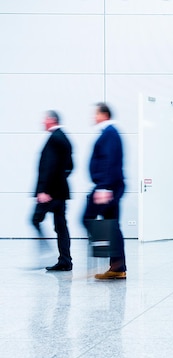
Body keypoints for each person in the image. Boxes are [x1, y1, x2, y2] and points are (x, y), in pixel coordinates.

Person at [83, 102, 127, 279]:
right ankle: (117, 267)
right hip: (110, 185)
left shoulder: (109, 133)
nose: (94, 117)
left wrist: (103, 187)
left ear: (104, 114)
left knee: (87, 219)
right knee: (112, 224)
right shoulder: (110, 133)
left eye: (96, 114)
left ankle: (115, 263)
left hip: (107, 186)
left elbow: (109, 160)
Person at [32, 110, 74, 271]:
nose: (43, 122)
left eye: (44, 119)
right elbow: (70, 167)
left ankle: (46, 253)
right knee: (61, 225)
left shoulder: (54, 139)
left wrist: (44, 190)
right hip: (60, 192)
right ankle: (65, 260)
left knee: (35, 220)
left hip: (50, 193)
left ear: (51, 120)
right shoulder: (64, 137)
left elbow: (49, 167)